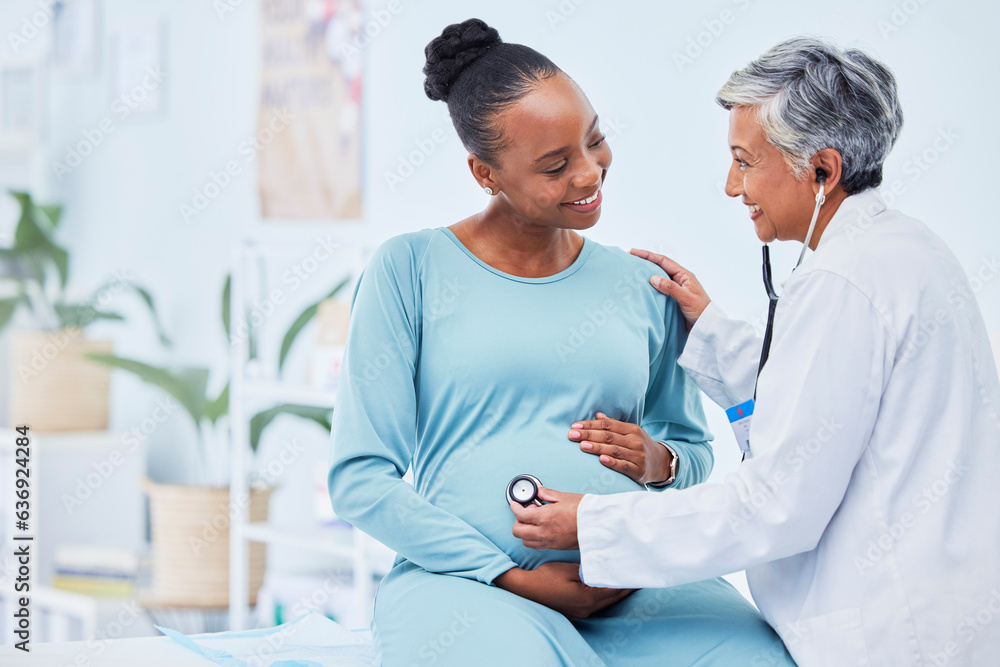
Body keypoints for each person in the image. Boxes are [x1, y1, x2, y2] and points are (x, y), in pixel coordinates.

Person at [510, 37, 1000, 666]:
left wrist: (595, 524)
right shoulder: (906, 250)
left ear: (822, 171)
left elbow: (776, 505)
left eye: (745, 161)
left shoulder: (844, 281)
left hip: (891, 636)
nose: (731, 186)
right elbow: (835, 410)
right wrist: (711, 329)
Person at [328, 18, 794, 667]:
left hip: (638, 580)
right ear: (485, 173)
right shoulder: (409, 270)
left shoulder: (641, 285)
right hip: (471, 586)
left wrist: (659, 461)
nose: (588, 173)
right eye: (555, 164)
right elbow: (361, 478)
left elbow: (692, 451)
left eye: (594, 139)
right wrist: (509, 574)